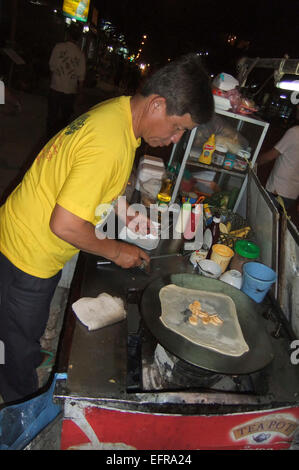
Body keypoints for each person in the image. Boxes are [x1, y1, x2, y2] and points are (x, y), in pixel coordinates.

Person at [0, 53, 214, 403]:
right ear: (158, 104)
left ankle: (22, 350)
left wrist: (125, 211)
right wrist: (117, 250)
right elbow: (65, 224)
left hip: (28, 237)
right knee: (16, 345)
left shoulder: (119, 114)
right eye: (178, 127)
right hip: (26, 252)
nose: (176, 139)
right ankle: (19, 406)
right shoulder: (110, 143)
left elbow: (93, 176)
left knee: (24, 329)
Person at [46, 24, 86, 139]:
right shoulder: (80, 54)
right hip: (70, 91)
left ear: (68, 35)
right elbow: (81, 78)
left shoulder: (58, 47)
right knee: (64, 119)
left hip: (55, 87)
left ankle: (48, 139)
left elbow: (51, 67)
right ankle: (59, 141)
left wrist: (51, 82)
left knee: (51, 116)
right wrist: (80, 94)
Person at [257, 125, 299, 211]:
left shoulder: (295, 132)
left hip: (278, 190)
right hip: (292, 193)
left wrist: (253, 162)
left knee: (261, 220)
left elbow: (272, 155)